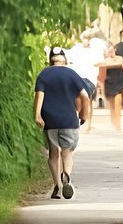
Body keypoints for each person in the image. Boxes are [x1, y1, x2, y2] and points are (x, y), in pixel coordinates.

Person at [34, 47, 91, 199]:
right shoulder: (72, 74)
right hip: (69, 120)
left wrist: (38, 116)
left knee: (53, 153)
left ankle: (58, 185)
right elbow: (85, 96)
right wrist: (84, 115)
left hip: (50, 120)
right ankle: (66, 176)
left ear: (50, 60)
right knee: (67, 152)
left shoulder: (44, 74)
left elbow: (39, 96)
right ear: (64, 60)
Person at [95, 45, 123, 132]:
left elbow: (119, 63)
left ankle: (118, 125)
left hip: (118, 82)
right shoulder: (105, 60)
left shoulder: (119, 58)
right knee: (111, 106)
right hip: (109, 82)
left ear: (115, 50)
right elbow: (98, 66)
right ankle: (113, 124)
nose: (111, 52)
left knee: (118, 103)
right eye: (109, 51)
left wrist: (108, 61)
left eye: (112, 50)